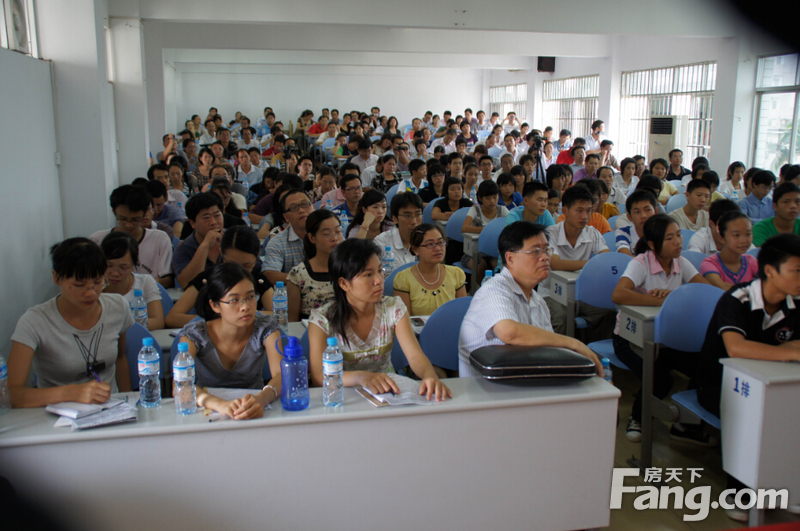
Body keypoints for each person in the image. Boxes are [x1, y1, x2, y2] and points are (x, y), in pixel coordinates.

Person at [308, 239, 451, 400]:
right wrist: (362, 378)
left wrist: (429, 375)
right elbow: (319, 377)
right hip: (343, 398)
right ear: (344, 284)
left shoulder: (393, 308)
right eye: (368, 274)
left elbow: (415, 356)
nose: (379, 280)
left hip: (388, 394)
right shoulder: (322, 320)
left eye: (380, 271)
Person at [611, 214, 711, 444]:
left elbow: (705, 292)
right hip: (629, 338)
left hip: (666, 339)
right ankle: (637, 418)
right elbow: (619, 294)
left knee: (703, 367)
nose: (678, 241)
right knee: (659, 377)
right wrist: (660, 301)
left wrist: (676, 296)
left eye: (678, 235)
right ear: (654, 244)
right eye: (670, 238)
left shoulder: (682, 263)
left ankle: (684, 424)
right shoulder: (641, 263)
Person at [458, 221, 602, 377]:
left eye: (546, 250)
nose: (545, 257)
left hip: (524, 382)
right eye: (535, 251)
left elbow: (549, 349)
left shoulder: (538, 301)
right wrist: (573, 343)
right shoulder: (494, 290)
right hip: (486, 392)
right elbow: (509, 332)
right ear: (510, 258)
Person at [7, 238, 134, 407]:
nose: (90, 293)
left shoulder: (118, 306)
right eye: (79, 285)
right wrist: (68, 393)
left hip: (111, 410)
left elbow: (121, 358)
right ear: (56, 277)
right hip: (57, 416)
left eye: (98, 282)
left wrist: (129, 403)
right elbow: (11, 394)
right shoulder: (35, 321)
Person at [178, 263, 282, 420]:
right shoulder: (195, 334)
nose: (245, 307)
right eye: (235, 300)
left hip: (253, 406)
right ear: (215, 305)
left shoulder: (265, 326)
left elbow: (281, 374)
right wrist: (221, 405)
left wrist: (261, 399)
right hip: (207, 412)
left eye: (251, 297)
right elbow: (179, 385)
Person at [167, 226, 273, 328]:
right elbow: (173, 318)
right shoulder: (207, 279)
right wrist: (220, 319)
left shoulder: (260, 281)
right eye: (232, 264)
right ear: (221, 253)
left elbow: (279, 315)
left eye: (247, 265)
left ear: (257, 255)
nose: (239, 272)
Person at [543, 186, 612, 339]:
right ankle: (560, 358)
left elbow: (605, 261)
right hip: (552, 293)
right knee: (561, 318)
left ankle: (590, 351)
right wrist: (591, 264)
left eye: (588, 211)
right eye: (579, 210)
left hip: (583, 294)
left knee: (609, 312)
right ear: (565, 211)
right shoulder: (550, 233)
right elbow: (556, 264)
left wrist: (595, 264)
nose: (585, 216)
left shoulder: (592, 232)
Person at [89, 185, 174, 288]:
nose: (128, 225)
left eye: (135, 219)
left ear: (145, 213)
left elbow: (168, 281)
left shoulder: (159, 239)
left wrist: (134, 284)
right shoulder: (97, 239)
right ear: (114, 211)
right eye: (123, 219)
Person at [393, 224, 467, 316]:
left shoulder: (456, 274)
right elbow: (403, 321)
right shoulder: (403, 279)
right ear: (415, 249)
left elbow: (462, 313)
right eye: (430, 244)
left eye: (440, 242)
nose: (438, 248)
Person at [100, 232, 165, 330]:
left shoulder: (145, 282)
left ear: (134, 264)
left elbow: (157, 321)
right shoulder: (94, 285)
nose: (115, 273)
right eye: (109, 266)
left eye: (123, 267)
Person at [287, 210, 339, 322]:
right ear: (312, 238)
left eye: (338, 231)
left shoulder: (350, 269)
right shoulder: (298, 275)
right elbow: (293, 321)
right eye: (326, 234)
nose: (335, 238)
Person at [262, 189, 315, 285]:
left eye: (305, 204)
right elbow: (269, 274)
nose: (301, 210)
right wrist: (305, 279)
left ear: (313, 207)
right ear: (286, 217)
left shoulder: (328, 234)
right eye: (294, 208)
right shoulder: (277, 242)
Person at [173, 193, 226, 288]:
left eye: (217, 215)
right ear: (192, 223)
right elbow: (186, 283)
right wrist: (205, 245)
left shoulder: (233, 239)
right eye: (206, 218)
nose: (213, 222)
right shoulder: (184, 249)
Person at [461, 180, 509, 277]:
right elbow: (465, 228)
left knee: (503, 267)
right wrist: (487, 230)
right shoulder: (475, 210)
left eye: (495, 197)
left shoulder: (502, 210)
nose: (492, 201)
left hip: (494, 253)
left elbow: (513, 228)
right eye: (488, 198)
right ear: (480, 198)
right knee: (480, 267)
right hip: (474, 253)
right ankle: (476, 290)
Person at [700, 211, 758, 290]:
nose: (743, 240)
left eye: (748, 234)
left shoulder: (752, 261)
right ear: (721, 238)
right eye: (736, 235)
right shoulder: (709, 264)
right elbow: (724, 289)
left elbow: (767, 286)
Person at [374, 192, 424, 267]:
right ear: (395, 219)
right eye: (407, 216)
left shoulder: (427, 241)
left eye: (418, 215)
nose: (414, 221)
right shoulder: (382, 243)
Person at [752, 182, 800, 246]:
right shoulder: (761, 228)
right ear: (775, 206)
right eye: (786, 202)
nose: (793, 206)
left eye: (797, 201)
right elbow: (761, 253)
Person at [615, 190, 658, 255]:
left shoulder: (664, 232)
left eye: (648, 210)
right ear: (629, 217)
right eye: (637, 212)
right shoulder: (623, 232)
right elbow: (626, 256)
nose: (643, 216)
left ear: (656, 212)